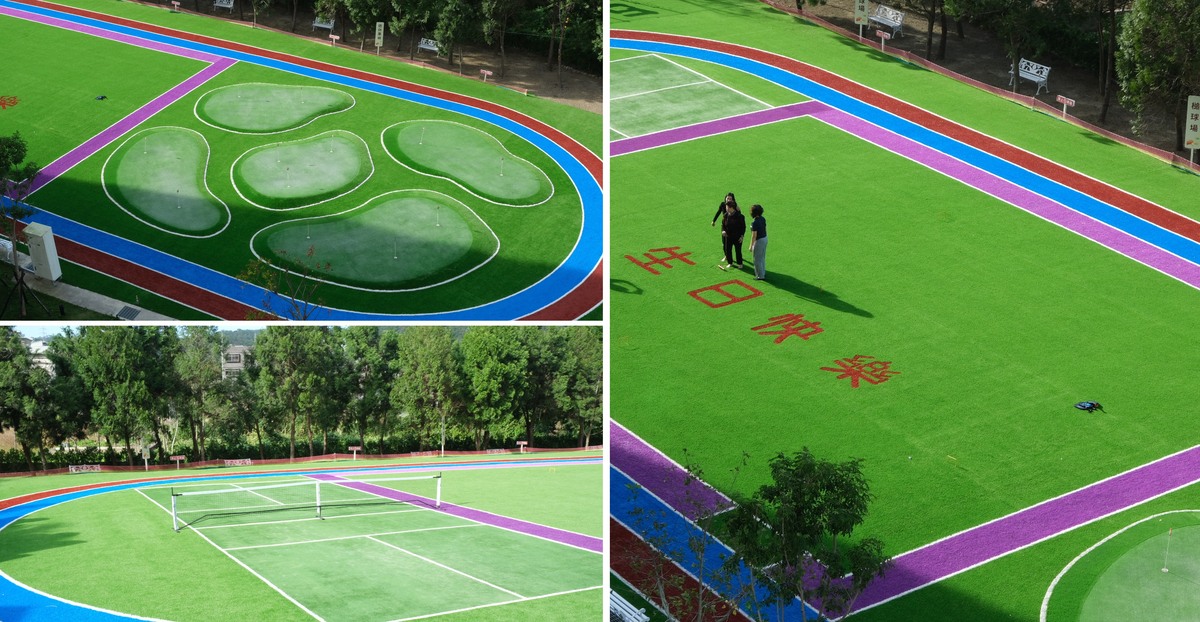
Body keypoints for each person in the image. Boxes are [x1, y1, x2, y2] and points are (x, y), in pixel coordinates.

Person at [723, 201, 746, 268]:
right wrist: (723, 231)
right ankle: (730, 262)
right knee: (728, 250)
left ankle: (740, 263)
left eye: (727, 207)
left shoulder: (740, 216)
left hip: (737, 237)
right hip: (728, 236)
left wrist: (742, 236)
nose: (726, 208)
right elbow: (723, 225)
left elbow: (743, 227)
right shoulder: (725, 215)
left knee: (738, 250)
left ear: (731, 208)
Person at [748, 204, 767, 280]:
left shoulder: (754, 223)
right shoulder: (763, 219)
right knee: (762, 257)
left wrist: (751, 246)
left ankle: (760, 275)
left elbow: (754, 236)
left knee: (757, 259)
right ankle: (763, 272)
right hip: (765, 238)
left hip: (759, 241)